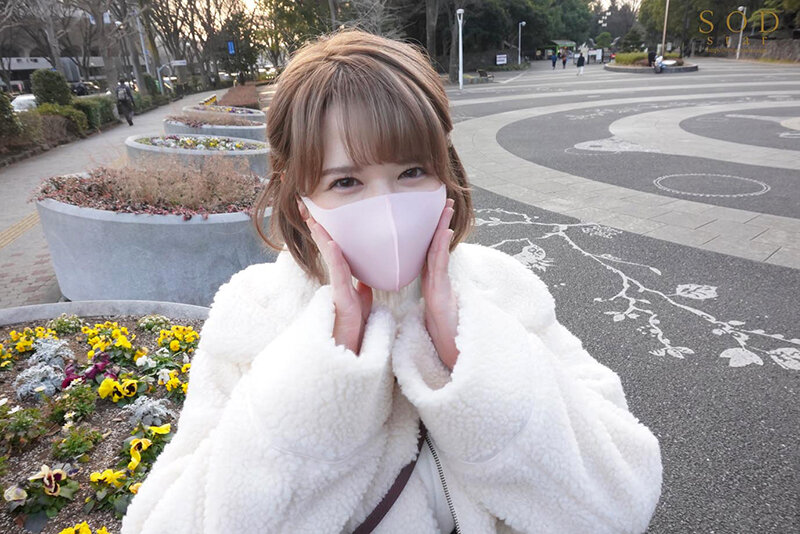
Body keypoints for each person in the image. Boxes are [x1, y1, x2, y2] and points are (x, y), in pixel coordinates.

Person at [120, 28, 662, 534]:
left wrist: (467, 357)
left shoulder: (502, 289)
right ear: (298, 196)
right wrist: (324, 376)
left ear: (445, 171)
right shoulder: (253, 313)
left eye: (411, 172)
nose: (386, 209)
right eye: (346, 181)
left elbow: (621, 500)